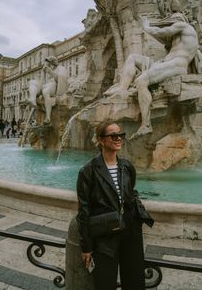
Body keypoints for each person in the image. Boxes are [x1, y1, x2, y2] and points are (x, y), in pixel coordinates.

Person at [76, 120, 153, 290]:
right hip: (105, 235)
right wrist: (86, 246)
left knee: (134, 282)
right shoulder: (87, 171)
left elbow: (130, 193)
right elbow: (84, 211)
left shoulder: (126, 166)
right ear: (101, 140)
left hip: (130, 231)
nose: (119, 138)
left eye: (120, 135)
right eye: (113, 135)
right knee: (105, 283)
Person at [104, 12, 199, 139]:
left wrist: (146, 26)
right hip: (166, 63)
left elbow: (161, 32)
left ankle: (146, 125)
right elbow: (162, 37)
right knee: (132, 58)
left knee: (141, 80)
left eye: (171, 21)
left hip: (177, 65)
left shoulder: (184, 26)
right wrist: (148, 28)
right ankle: (122, 89)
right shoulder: (178, 36)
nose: (171, 23)